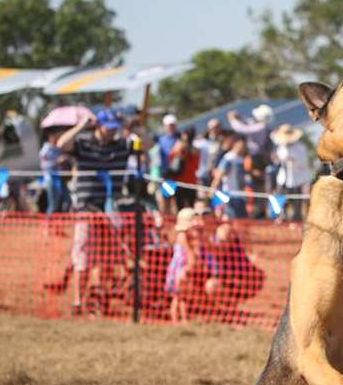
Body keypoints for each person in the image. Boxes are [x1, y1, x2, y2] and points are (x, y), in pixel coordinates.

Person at [56, 109, 146, 315]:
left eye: (115, 129)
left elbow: (147, 145)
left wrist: (133, 127)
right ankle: (79, 301)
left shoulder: (122, 145)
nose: (113, 133)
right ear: (98, 126)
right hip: (87, 209)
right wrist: (80, 126)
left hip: (112, 209)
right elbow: (62, 145)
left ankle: (100, 296)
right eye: (109, 128)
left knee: (109, 258)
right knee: (84, 257)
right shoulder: (84, 144)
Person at [165, 207, 214, 322]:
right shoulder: (183, 237)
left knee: (182, 298)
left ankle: (183, 319)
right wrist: (191, 267)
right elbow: (189, 255)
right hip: (180, 271)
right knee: (178, 298)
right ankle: (176, 319)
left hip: (180, 270)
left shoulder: (182, 236)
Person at [271, 124, 311, 222]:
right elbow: (278, 162)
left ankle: (296, 221)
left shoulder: (301, 147)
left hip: (297, 180)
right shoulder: (280, 147)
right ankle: (281, 218)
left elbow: (305, 164)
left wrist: (294, 161)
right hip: (283, 179)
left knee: (296, 203)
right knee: (281, 201)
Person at [211, 135, 250, 219]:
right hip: (230, 195)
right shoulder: (229, 158)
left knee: (242, 220)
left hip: (240, 195)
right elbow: (219, 174)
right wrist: (213, 188)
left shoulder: (241, 159)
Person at [39, 127, 71, 217]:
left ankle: (58, 226)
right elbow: (43, 166)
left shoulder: (59, 147)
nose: (59, 136)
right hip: (51, 179)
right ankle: (47, 227)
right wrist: (57, 162)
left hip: (61, 179)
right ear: (50, 135)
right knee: (53, 205)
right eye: (57, 134)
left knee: (67, 201)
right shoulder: (46, 149)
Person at [169, 127, 201, 211]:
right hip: (179, 182)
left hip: (190, 182)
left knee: (190, 207)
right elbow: (172, 160)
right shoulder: (179, 148)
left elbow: (196, 166)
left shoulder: (194, 150)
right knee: (180, 206)